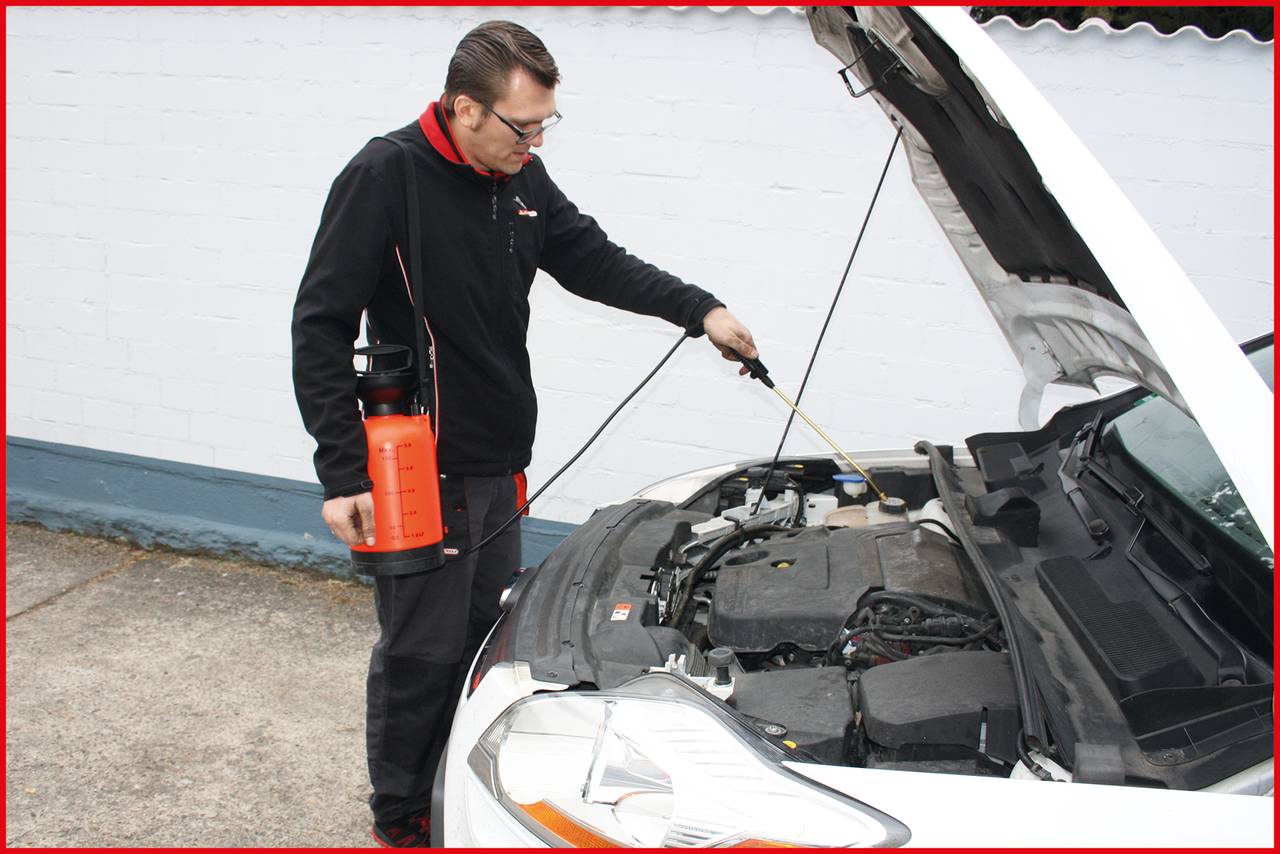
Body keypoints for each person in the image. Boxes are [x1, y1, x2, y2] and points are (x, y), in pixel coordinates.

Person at [291, 20, 758, 848]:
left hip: (499, 461)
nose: (535, 140)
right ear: (464, 108)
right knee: (421, 654)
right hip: (416, 470)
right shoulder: (385, 175)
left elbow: (595, 260)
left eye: (545, 124)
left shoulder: (522, 178)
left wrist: (700, 309)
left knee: (485, 650)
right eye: (522, 124)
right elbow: (319, 326)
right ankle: (401, 815)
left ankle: (457, 791)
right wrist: (342, 475)